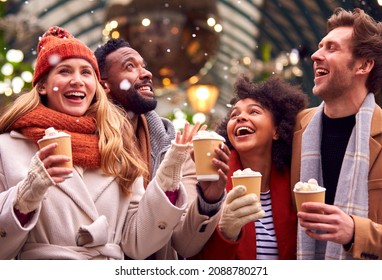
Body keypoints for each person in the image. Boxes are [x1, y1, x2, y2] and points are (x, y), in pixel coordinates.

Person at [0, 26, 228, 260]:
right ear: (42, 85)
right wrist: (26, 195)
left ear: (96, 86)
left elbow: (137, 244)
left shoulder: (118, 148)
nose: (78, 81)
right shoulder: (6, 148)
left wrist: (168, 175)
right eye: (65, 71)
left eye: (86, 72)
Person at [94, 38, 230, 259]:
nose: (146, 73)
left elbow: (184, 245)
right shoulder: (89, 142)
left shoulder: (174, 146)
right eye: (130, 66)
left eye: (143, 65)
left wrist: (209, 199)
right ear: (104, 85)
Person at [291, 8, 382, 260]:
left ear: (364, 65)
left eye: (331, 48)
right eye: (320, 46)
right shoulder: (296, 128)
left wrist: (356, 232)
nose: (315, 55)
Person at [190, 74, 308, 259]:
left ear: (277, 130)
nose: (240, 118)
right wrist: (226, 232)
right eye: (234, 114)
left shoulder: (297, 179)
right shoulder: (213, 180)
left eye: (253, 112)